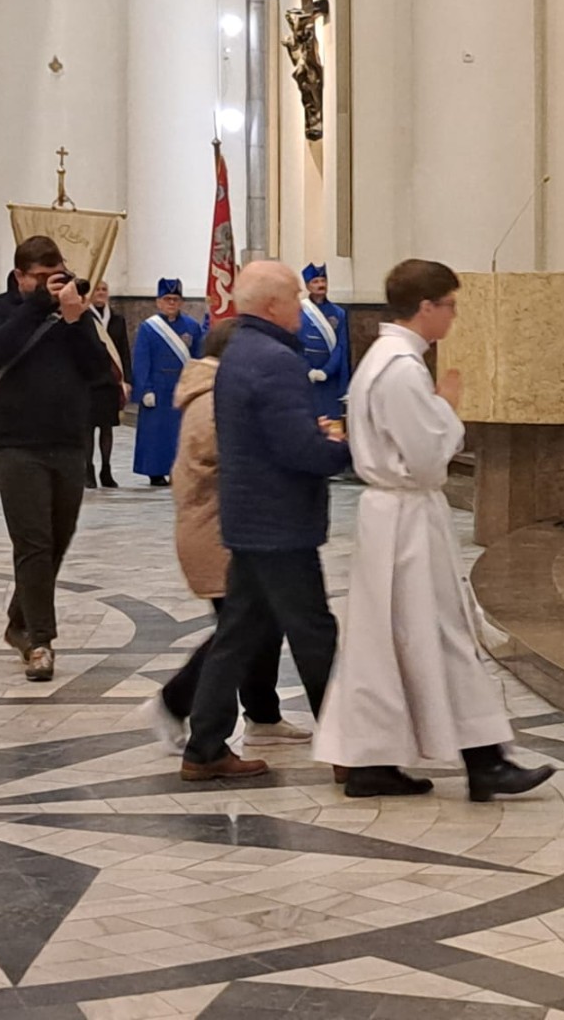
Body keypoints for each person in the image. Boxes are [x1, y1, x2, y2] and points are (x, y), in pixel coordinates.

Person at [315, 260, 555, 801]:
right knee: (439, 632)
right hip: (406, 520)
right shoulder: (401, 368)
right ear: (426, 307)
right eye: (449, 305)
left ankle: (377, 760)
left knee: (390, 641)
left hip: (393, 519)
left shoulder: (383, 358)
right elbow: (425, 457)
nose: (453, 315)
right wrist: (446, 410)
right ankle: (483, 762)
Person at [180, 261, 352, 781]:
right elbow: (298, 450)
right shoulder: (277, 360)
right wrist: (341, 446)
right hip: (280, 524)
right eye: (295, 296)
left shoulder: (238, 353)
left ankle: (204, 748)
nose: (300, 305)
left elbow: (264, 433)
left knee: (238, 634)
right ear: (274, 305)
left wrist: (307, 432)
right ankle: (352, 751)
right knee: (314, 633)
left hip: (248, 518)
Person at [144, 318, 312, 753]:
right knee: (240, 629)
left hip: (227, 525)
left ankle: (263, 716)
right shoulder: (212, 399)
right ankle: (173, 701)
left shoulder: (220, 391)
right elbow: (239, 454)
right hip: (216, 531)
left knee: (262, 624)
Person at [0, 235, 112, 682]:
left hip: (67, 442)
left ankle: (19, 619)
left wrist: (75, 320)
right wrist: (37, 305)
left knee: (57, 539)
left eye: (56, 275)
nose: (51, 284)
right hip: (14, 445)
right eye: (40, 277)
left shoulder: (72, 312)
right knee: (33, 541)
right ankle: (40, 641)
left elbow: (98, 371)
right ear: (20, 276)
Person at [132, 278, 203, 486]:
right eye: (167, 299)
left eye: (175, 299)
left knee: (179, 432)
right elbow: (142, 360)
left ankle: (179, 471)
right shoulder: (149, 328)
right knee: (156, 433)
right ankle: (155, 472)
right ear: (158, 302)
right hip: (158, 387)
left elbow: (198, 357)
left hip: (181, 386)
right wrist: (145, 389)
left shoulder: (192, 327)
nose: (171, 303)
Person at [85, 281, 131, 489]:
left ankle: (106, 469)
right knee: (88, 428)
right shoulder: (85, 318)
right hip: (89, 380)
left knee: (107, 427)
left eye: (104, 289)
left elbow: (124, 351)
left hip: (111, 381)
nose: (101, 293)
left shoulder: (117, 320)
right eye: (97, 289)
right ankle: (88, 470)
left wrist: (126, 379)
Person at [297, 263, 350, 422]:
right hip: (306, 377)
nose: (320, 285)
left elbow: (341, 346)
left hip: (330, 378)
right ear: (308, 286)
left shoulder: (338, 313)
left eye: (323, 281)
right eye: (315, 281)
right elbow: (295, 344)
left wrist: (327, 370)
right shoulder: (299, 312)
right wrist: (307, 370)